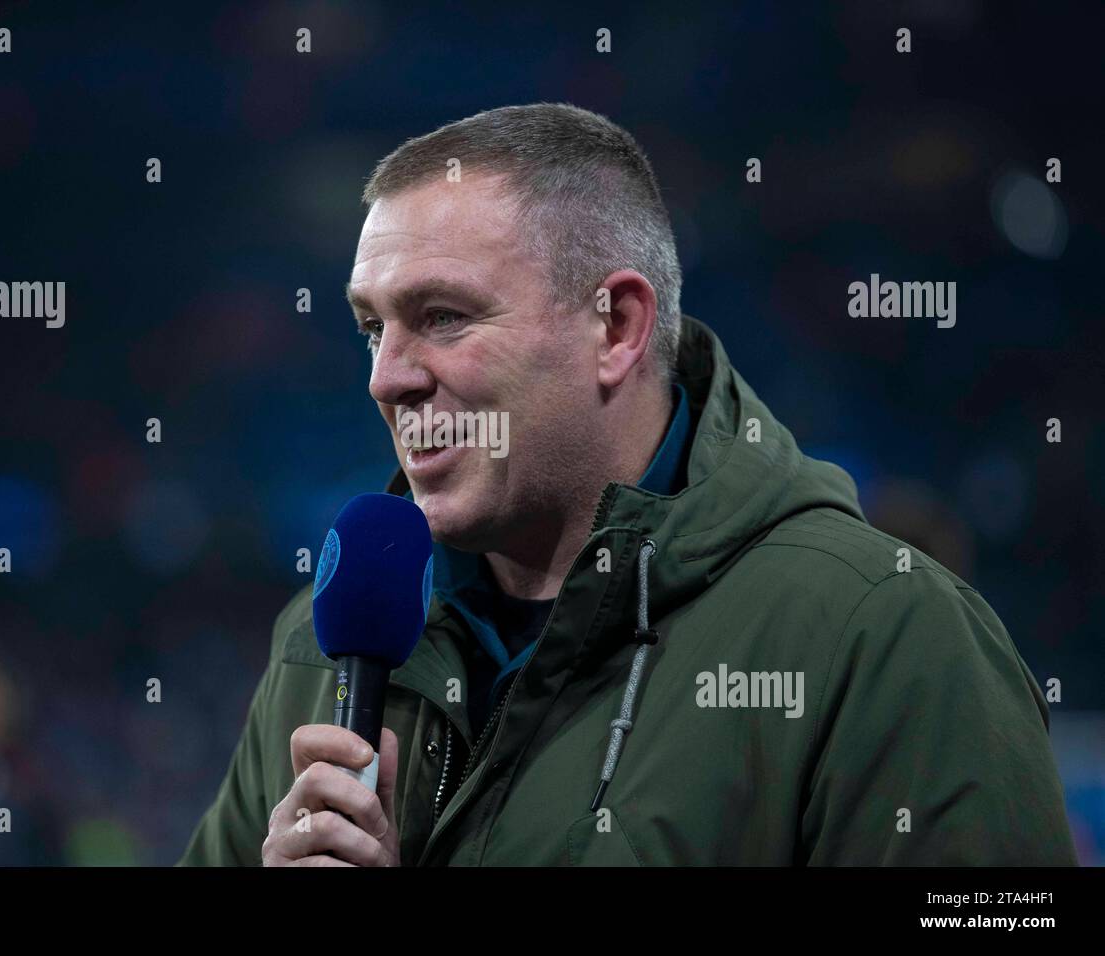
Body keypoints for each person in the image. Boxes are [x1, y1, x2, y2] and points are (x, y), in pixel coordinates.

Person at [179, 103, 1077, 866]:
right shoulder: (321, 649)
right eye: (371, 326)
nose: (386, 375)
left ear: (615, 326)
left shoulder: (885, 638)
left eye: (442, 316)